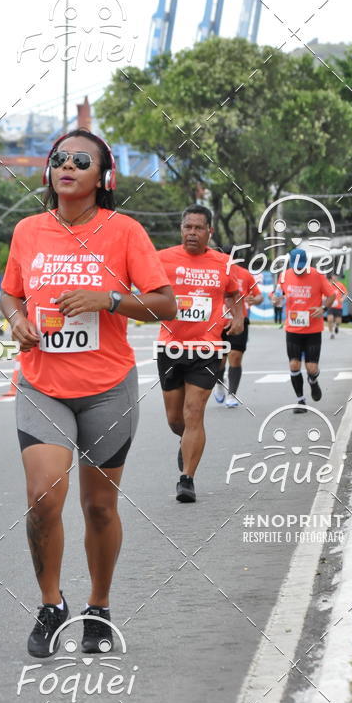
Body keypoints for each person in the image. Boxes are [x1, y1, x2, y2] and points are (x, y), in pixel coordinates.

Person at [0, 129, 175, 658]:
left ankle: (98, 608)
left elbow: (165, 304)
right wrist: (17, 319)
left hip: (106, 390)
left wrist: (109, 299)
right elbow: (9, 292)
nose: (66, 166)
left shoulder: (124, 232)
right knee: (42, 497)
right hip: (42, 384)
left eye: (81, 160)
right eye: (59, 159)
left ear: (104, 178)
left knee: (100, 507)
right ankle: (51, 605)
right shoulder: (28, 231)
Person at [156, 205, 244, 504]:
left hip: (207, 348)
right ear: (181, 229)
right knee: (175, 419)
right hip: (171, 346)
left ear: (210, 231)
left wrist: (238, 317)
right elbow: (143, 287)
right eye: (187, 227)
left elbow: (235, 293)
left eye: (198, 228)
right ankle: (185, 441)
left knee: (195, 412)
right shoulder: (162, 259)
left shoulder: (223, 263)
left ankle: (187, 479)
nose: (192, 232)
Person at [281, 248, 335, 413]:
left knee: (311, 367)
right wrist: (276, 299)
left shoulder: (317, 275)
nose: (299, 270)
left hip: (313, 329)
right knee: (294, 365)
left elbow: (332, 295)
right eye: (297, 267)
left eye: (302, 267)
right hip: (293, 328)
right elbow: (277, 295)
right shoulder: (284, 276)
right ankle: (300, 401)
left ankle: (313, 380)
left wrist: (323, 308)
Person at [214, 262, 263, 407]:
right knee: (218, 361)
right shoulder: (212, 272)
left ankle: (232, 395)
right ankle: (219, 382)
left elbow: (259, 296)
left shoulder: (245, 274)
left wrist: (255, 300)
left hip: (239, 321)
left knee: (235, 357)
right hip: (216, 323)